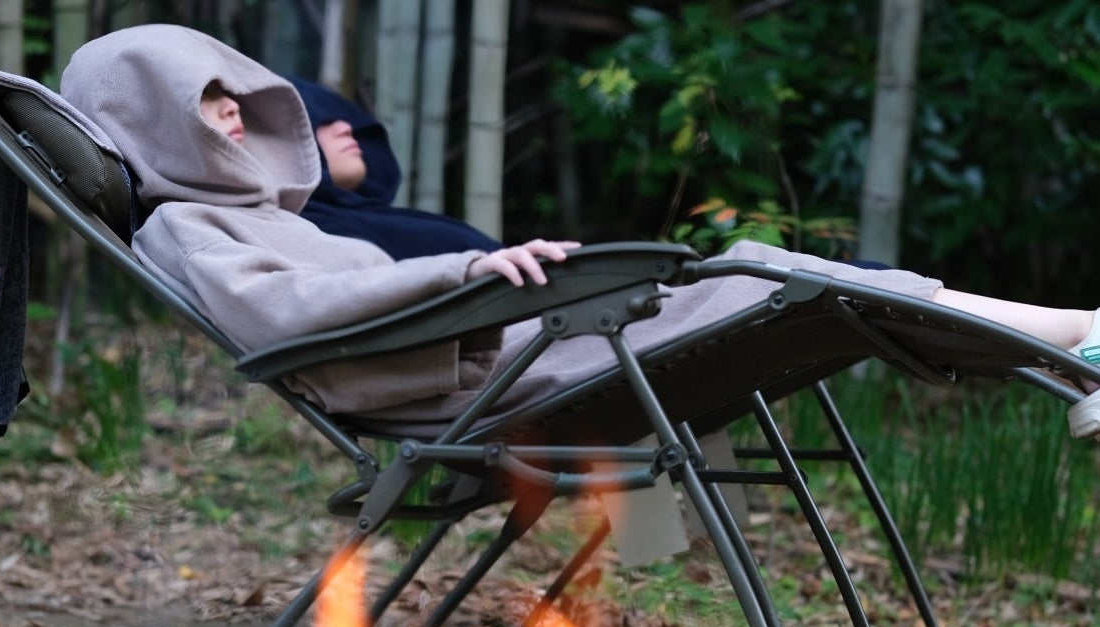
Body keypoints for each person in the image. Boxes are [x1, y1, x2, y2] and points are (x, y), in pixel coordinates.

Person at [59, 25, 1100, 435]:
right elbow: (290, 315)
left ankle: (1069, 350)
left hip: (525, 355)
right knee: (767, 278)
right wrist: (471, 273)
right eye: (205, 104)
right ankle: (1072, 345)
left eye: (233, 95)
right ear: (143, 120)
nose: (233, 112)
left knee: (768, 274)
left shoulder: (260, 214)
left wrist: (471, 284)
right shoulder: (186, 232)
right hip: (500, 384)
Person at [286, 76, 501, 260]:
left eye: (341, 118)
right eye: (315, 119)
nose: (345, 128)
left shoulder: (384, 224)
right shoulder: (297, 238)